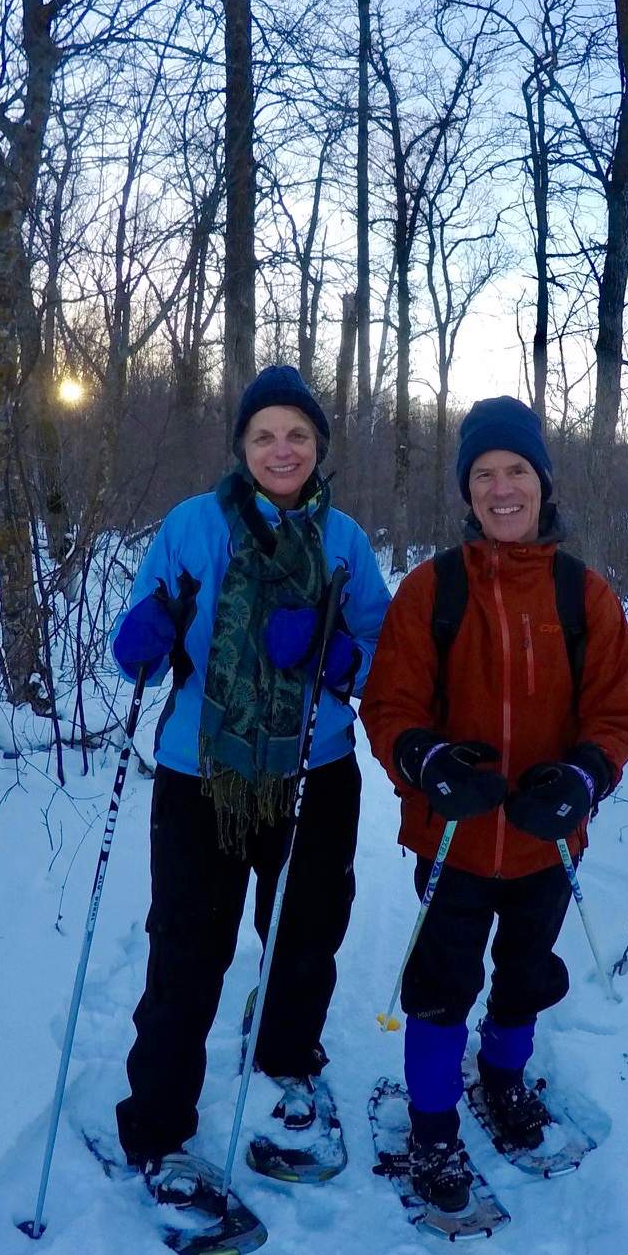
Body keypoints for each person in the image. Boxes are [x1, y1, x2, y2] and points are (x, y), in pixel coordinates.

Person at [110, 365, 389, 1205]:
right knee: (186, 950)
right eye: (264, 433)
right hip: (203, 775)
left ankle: (286, 1058)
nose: (281, 448)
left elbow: (382, 648)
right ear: (240, 445)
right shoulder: (193, 525)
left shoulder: (343, 541)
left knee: (305, 934)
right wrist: (141, 637)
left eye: (297, 435)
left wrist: (344, 658)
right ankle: (159, 1121)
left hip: (314, 768)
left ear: (317, 448)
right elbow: (140, 638)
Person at [360, 396, 628, 1214]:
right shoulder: (430, 589)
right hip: (450, 839)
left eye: (515, 469)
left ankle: (504, 1077)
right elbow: (390, 707)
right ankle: (432, 1123)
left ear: (542, 482)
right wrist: (427, 760)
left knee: (524, 976)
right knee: (441, 983)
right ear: (466, 491)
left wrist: (582, 778)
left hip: (545, 844)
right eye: (483, 474)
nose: (501, 487)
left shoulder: (583, 595)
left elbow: (615, 715)